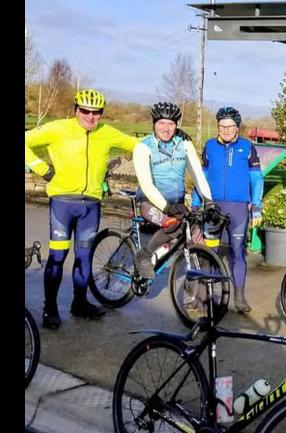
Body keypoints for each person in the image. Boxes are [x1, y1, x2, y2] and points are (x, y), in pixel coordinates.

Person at [25, 89, 140, 329]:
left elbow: (138, 144)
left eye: (96, 112)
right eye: (85, 111)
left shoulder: (106, 133)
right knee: (57, 257)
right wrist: (42, 170)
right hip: (63, 203)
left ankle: (79, 303)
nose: (90, 116)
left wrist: (169, 137)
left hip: (91, 205)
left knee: (84, 256)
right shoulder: (58, 128)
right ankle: (50, 308)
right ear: (75, 110)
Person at [192, 107, 264, 314]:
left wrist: (256, 205)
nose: (225, 130)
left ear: (237, 128)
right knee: (210, 252)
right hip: (213, 207)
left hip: (239, 208)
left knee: (237, 252)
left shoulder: (247, 147)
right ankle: (206, 297)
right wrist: (197, 202)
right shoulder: (209, 146)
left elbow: (256, 178)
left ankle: (239, 298)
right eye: (221, 126)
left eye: (230, 126)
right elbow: (202, 177)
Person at [132, 102, 215, 279]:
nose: (166, 128)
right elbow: (146, 185)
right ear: (154, 123)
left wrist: (209, 201)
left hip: (176, 204)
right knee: (173, 223)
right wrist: (167, 207)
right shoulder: (143, 147)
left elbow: (198, 174)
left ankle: (200, 299)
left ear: (177, 125)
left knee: (201, 246)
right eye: (161, 123)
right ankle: (145, 254)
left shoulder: (184, 143)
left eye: (171, 123)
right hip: (150, 202)